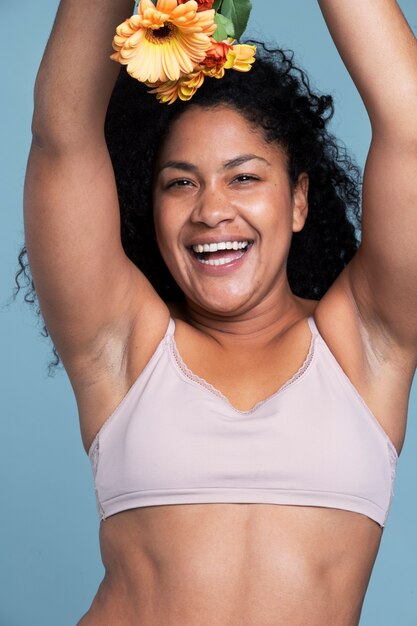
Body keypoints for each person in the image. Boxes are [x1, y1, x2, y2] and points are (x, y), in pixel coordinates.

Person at [17, 0, 417, 623]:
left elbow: (412, 129)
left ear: (298, 201)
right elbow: (60, 135)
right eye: (180, 182)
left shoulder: (367, 344)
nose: (210, 210)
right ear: (147, 207)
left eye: (244, 178)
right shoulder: (121, 346)